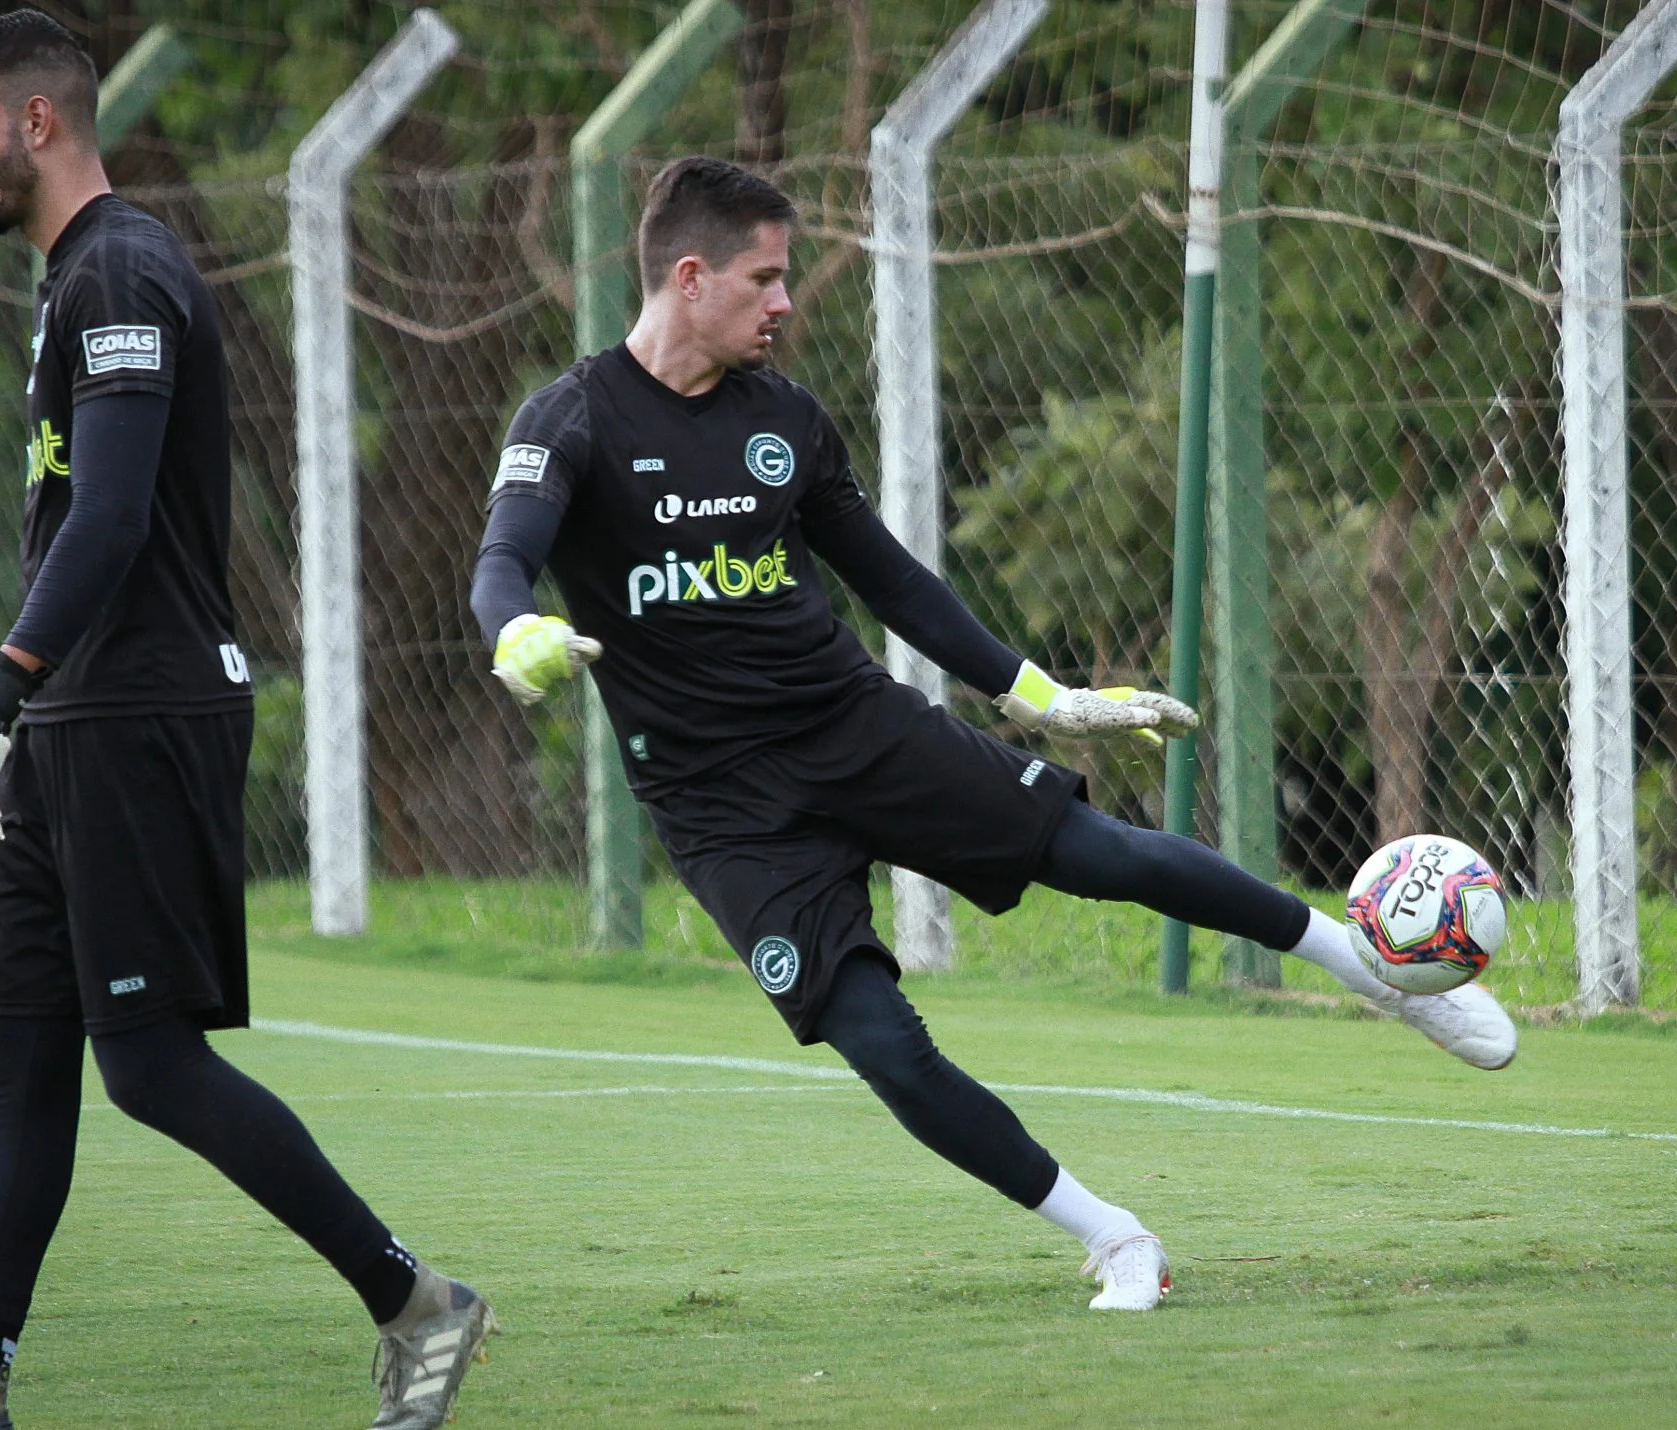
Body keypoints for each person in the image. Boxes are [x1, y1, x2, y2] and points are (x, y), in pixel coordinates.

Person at [469, 155, 1516, 1315]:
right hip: (721, 807)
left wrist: (1041, 697)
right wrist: (515, 629)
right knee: (884, 1046)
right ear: (689, 276)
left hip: (852, 728)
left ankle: (1376, 971)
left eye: (787, 278)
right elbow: (503, 558)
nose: (784, 302)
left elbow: (894, 585)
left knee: (1105, 855)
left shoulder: (788, 424)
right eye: (766, 278)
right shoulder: (570, 418)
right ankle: (1115, 1236)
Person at [0, 14, 489, 1430]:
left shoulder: (123, 266)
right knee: (19, 1059)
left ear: (40, 124)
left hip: (142, 710)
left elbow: (112, 518)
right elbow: (76, 519)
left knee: (153, 1066)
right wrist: (19, 719)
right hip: (65, 725)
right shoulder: (68, 281)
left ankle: (419, 1305)